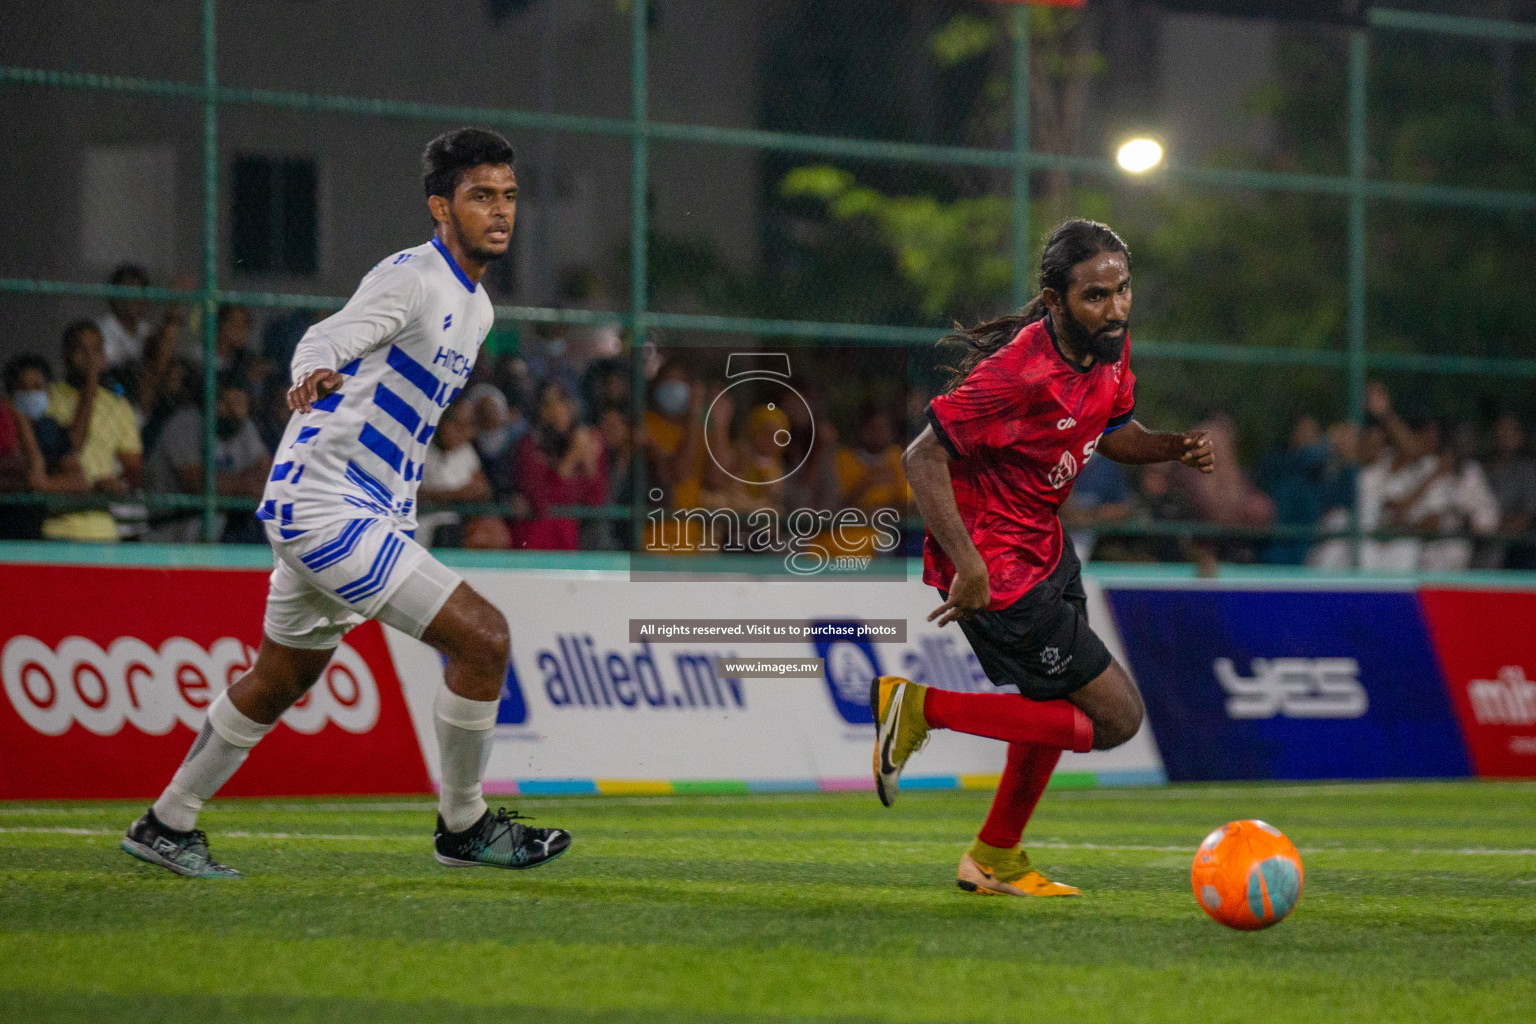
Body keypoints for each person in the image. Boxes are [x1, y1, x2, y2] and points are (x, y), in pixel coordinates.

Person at [121, 127, 571, 877]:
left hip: (363, 508)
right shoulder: (413, 278)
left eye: (509, 196)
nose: (500, 211)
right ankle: (463, 826)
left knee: (282, 677)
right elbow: (323, 339)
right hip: (329, 505)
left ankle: (166, 821)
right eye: (481, 195)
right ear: (440, 206)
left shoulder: (481, 310)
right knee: (484, 639)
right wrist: (312, 373)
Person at [874, 219, 1215, 898]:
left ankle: (995, 856)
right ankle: (918, 709)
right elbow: (922, 456)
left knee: (1055, 704)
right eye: (1096, 295)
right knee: (1117, 719)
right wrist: (968, 564)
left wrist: (1173, 446)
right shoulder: (1019, 372)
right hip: (995, 565)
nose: (1115, 307)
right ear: (1056, 301)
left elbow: (1115, 433)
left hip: (1044, 547)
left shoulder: (1108, 348)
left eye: (1122, 290)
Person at [43, 321, 144, 542]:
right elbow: (72, 443)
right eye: (81, 350)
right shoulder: (48, 398)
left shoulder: (118, 406)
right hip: (57, 525)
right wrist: (91, 383)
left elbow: (133, 469)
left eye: (96, 349)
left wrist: (118, 484)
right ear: (65, 355)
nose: (90, 357)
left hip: (103, 528)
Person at [144, 373, 272, 543]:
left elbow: (269, 475)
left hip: (223, 523)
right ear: (209, 402)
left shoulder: (244, 427)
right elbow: (196, 484)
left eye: (239, 403)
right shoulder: (186, 424)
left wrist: (235, 484)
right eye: (225, 403)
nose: (234, 411)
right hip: (173, 523)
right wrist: (245, 484)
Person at [508, 381, 605, 550]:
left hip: (575, 540)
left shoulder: (585, 440)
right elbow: (542, 499)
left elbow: (595, 500)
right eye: (549, 405)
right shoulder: (529, 445)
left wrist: (589, 461)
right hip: (537, 539)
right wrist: (572, 457)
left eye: (562, 403)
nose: (557, 411)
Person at [417, 398, 507, 549]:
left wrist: (475, 492)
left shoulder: (466, 452)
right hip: (426, 522)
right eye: (456, 424)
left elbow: (482, 489)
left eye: (467, 426)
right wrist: (456, 494)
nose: (462, 432)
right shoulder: (421, 450)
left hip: (461, 523)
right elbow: (414, 494)